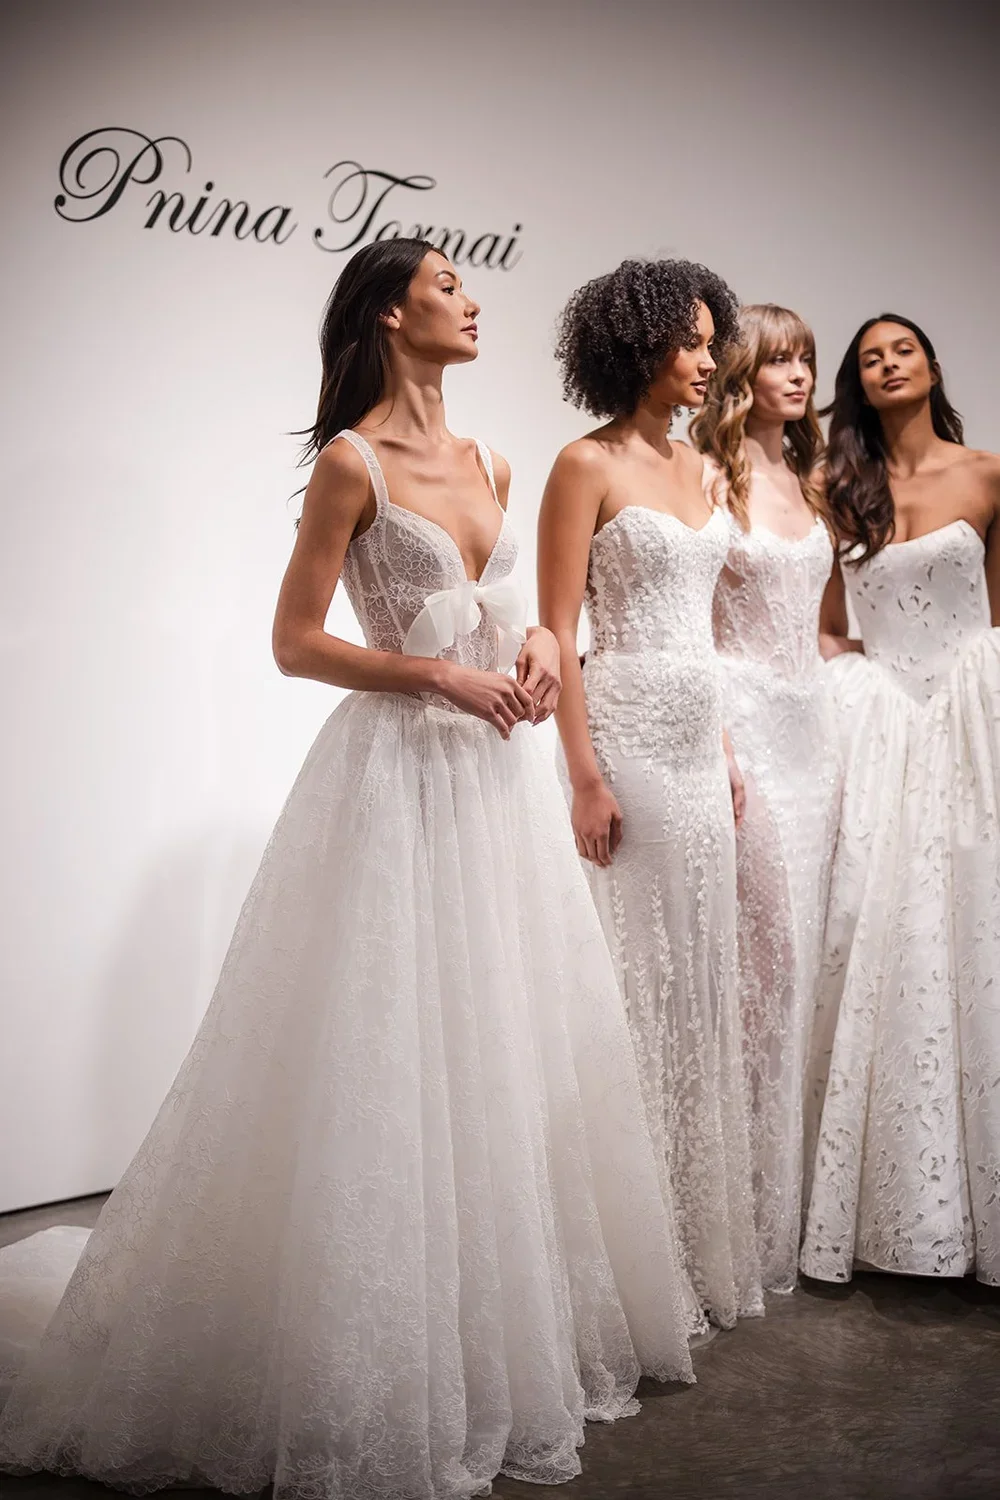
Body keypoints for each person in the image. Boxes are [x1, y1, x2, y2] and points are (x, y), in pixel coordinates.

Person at [0, 239, 698, 1500]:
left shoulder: (491, 459)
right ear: (392, 310)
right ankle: (371, 1355)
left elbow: (530, 608)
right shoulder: (350, 462)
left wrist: (538, 646)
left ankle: (491, 1342)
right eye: (448, 285)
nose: (473, 299)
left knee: (501, 1052)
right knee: (389, 1059)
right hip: (395, 783)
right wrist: (431, 670)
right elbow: (291, 641)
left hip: (493, 792)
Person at [537, 258, 764, 1329]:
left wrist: (721, 746)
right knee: (636, 986)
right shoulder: (581, 466)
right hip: (622, 738)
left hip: (692, 741)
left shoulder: (702, 470)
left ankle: (681, 1238)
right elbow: (558, 635)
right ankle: (614, 1267)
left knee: (695, 988)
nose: (711, 359)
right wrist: (582, 777)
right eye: (692, 342)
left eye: (712, 341)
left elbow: (705, 629)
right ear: (637, 348)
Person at [800, 314, 1000, 1286]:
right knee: (875, 938)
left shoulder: (988, 475)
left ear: (929, 367)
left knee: (972, 935)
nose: (886, 364)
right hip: (875, 727)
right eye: (869, 357)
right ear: (857, 380)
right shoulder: (836, 488)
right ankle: (890, 1209)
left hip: (972, 722)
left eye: (902, 351)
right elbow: (830, 624)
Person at [690, 304, 840, 1293]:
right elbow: (685, 618)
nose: (796, 375)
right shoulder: (709, 477)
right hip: (743, 723)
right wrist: (718, 735)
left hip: (817, 729)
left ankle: (784, 1210)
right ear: (745, 370)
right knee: (761, 964)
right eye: (778, 359)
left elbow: (820, 617)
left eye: (806, 360)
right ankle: (727, 1221)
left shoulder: (814, 478)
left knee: (806, 963)